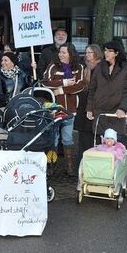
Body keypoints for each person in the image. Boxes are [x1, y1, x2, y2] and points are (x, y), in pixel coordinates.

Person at [41, 44, 86, 175]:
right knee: (53, 139)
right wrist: (65, 83)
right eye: (60, 52)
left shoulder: (79, 67)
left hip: (70, 109)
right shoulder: (52, 66)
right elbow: (45, 82)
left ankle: (70, 167)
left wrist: (59, 90)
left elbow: (80, 85)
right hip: (54, 109)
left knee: (67, 138)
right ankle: (51, 165)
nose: (60, 54)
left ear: (71, 54)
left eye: (64, 52)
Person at [86, 40, 127, 136]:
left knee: (114, 145)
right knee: (99, 144)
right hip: (100, 110)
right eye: (105, 50)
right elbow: (92, 89)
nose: (106, 53)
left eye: (109, 51)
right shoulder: (99, 67)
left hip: (116, 112)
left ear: (117, 53)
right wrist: (89, 108)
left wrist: (123, 108)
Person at [74, 44, 103, 161]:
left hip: (95, 105)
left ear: (96, 53)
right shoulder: (83, 67)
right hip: (83, 105)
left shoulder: (101, 68)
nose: (87, 55)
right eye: (86, 52)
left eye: (90, 52)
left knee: (94, 136)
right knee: (83, 138)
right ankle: (82, 161)